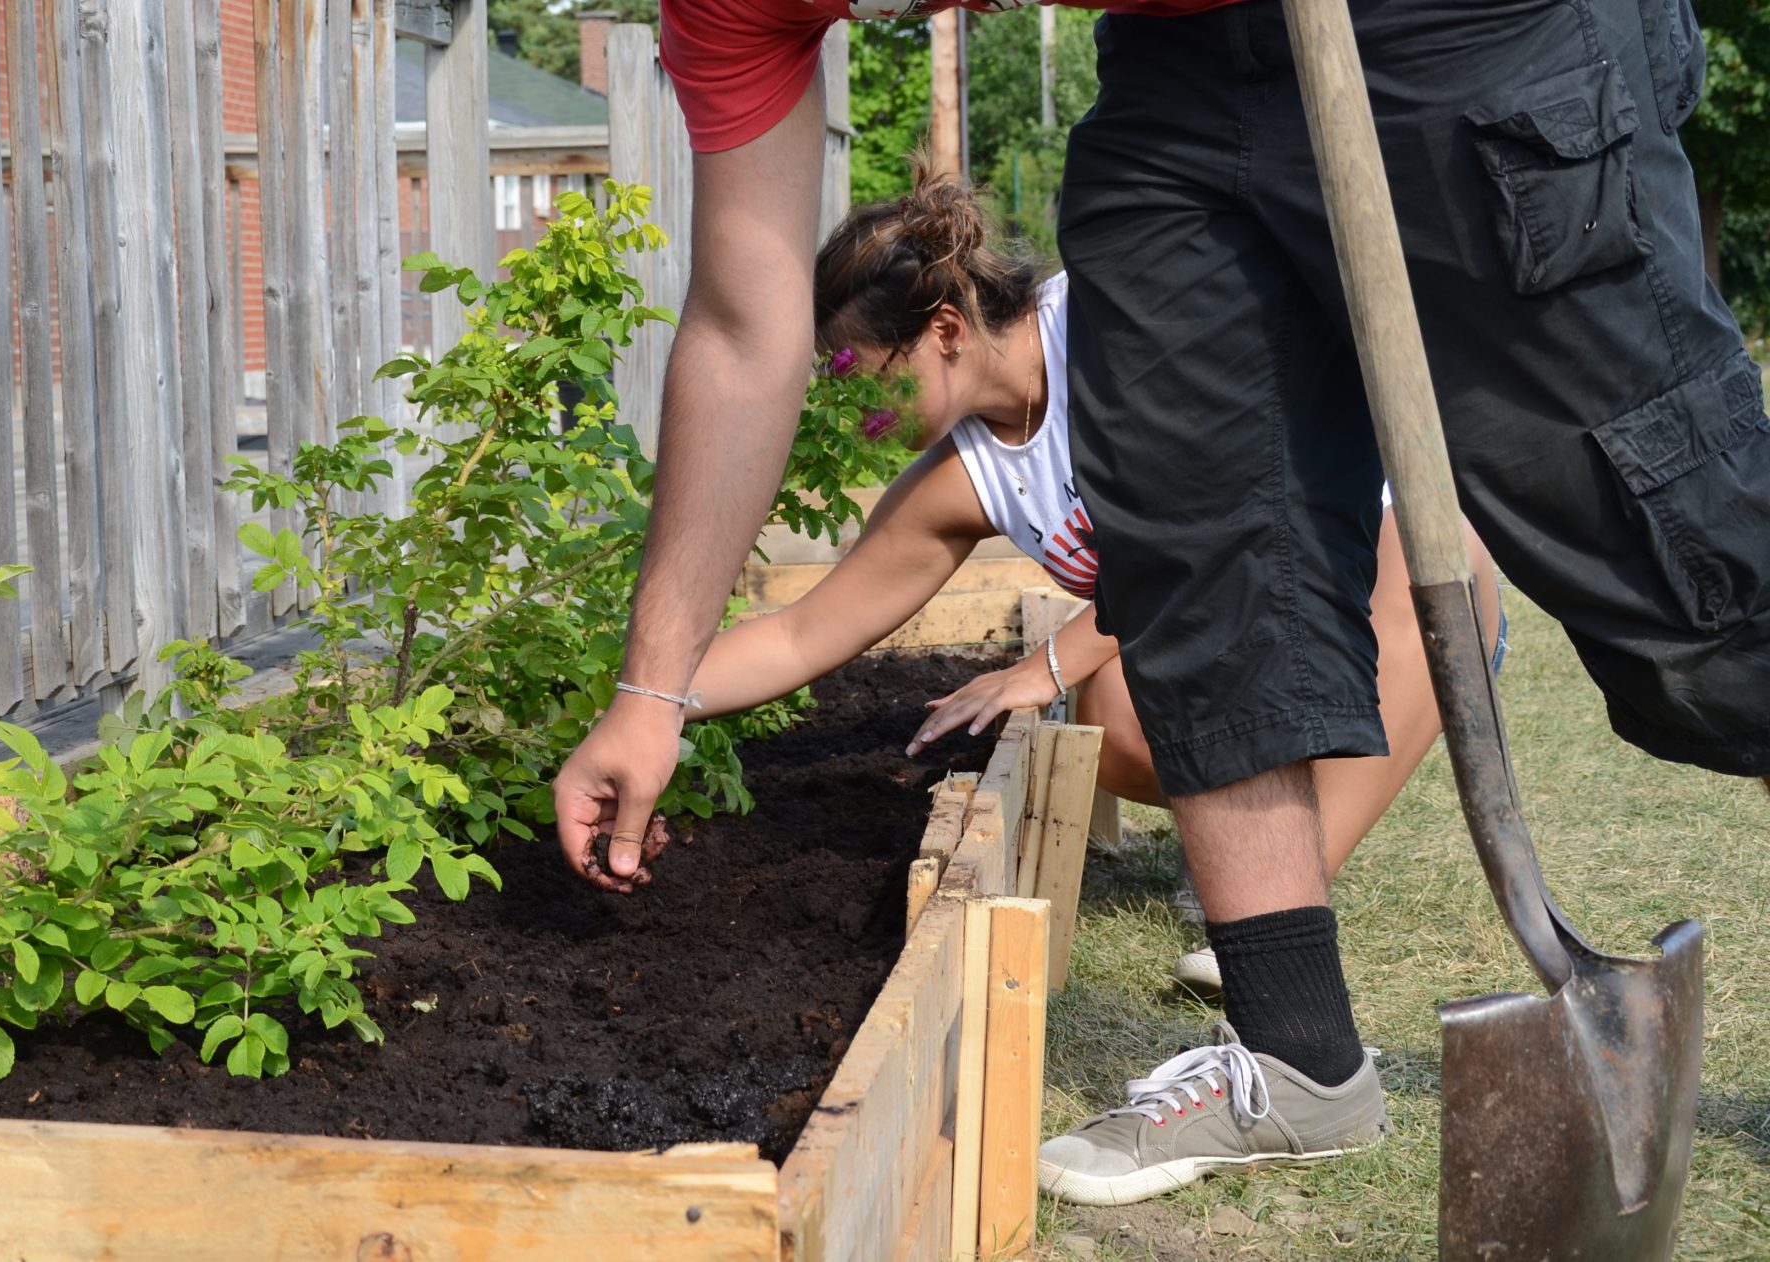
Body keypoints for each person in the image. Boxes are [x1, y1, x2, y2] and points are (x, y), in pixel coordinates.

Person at [553, 0, 1770, 1211]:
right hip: (1179, 68)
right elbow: (740, 331)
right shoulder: (725, 12)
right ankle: (1295, 1057)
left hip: (1443, 30)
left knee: (1668, 523)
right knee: (1193, 537)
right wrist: (647, 692)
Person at [682, 171, 1505, 1002]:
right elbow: (799, 634)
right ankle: (1254, 833)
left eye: (860, 376)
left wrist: (1044, 666)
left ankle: (1276, 919)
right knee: (1110, 711)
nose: (851, 407)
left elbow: (1210, 532)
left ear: (945, 330)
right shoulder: (964, 480)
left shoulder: (1115, 320)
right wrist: (644, 704)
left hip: (1359, 593)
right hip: (1237, 635)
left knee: (1437, 564)